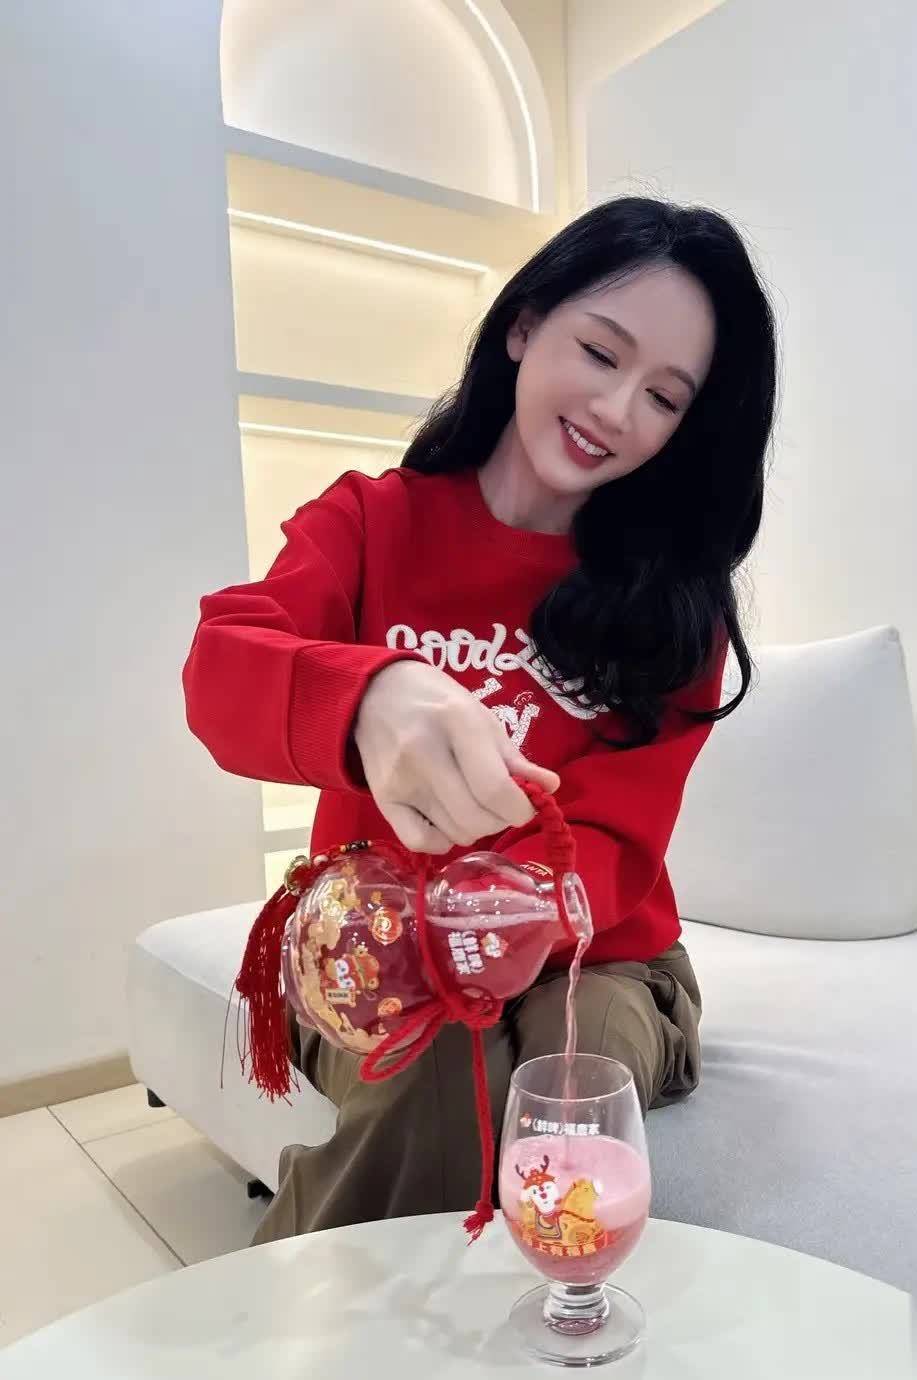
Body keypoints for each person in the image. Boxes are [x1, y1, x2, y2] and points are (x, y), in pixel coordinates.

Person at [183, 195, 778, 1242]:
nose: (616, 409)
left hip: (603, 959)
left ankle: (557, 1315)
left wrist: (503, 914)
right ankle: (294, 1320)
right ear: (524, 325)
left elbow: (615, 846)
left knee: (574, 1079)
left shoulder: (677, 616)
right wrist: (367, 695)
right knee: (433, 1086)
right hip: (380, 940)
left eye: (663, 397)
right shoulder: (371, 523)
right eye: (600, 352)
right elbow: (221, 671)